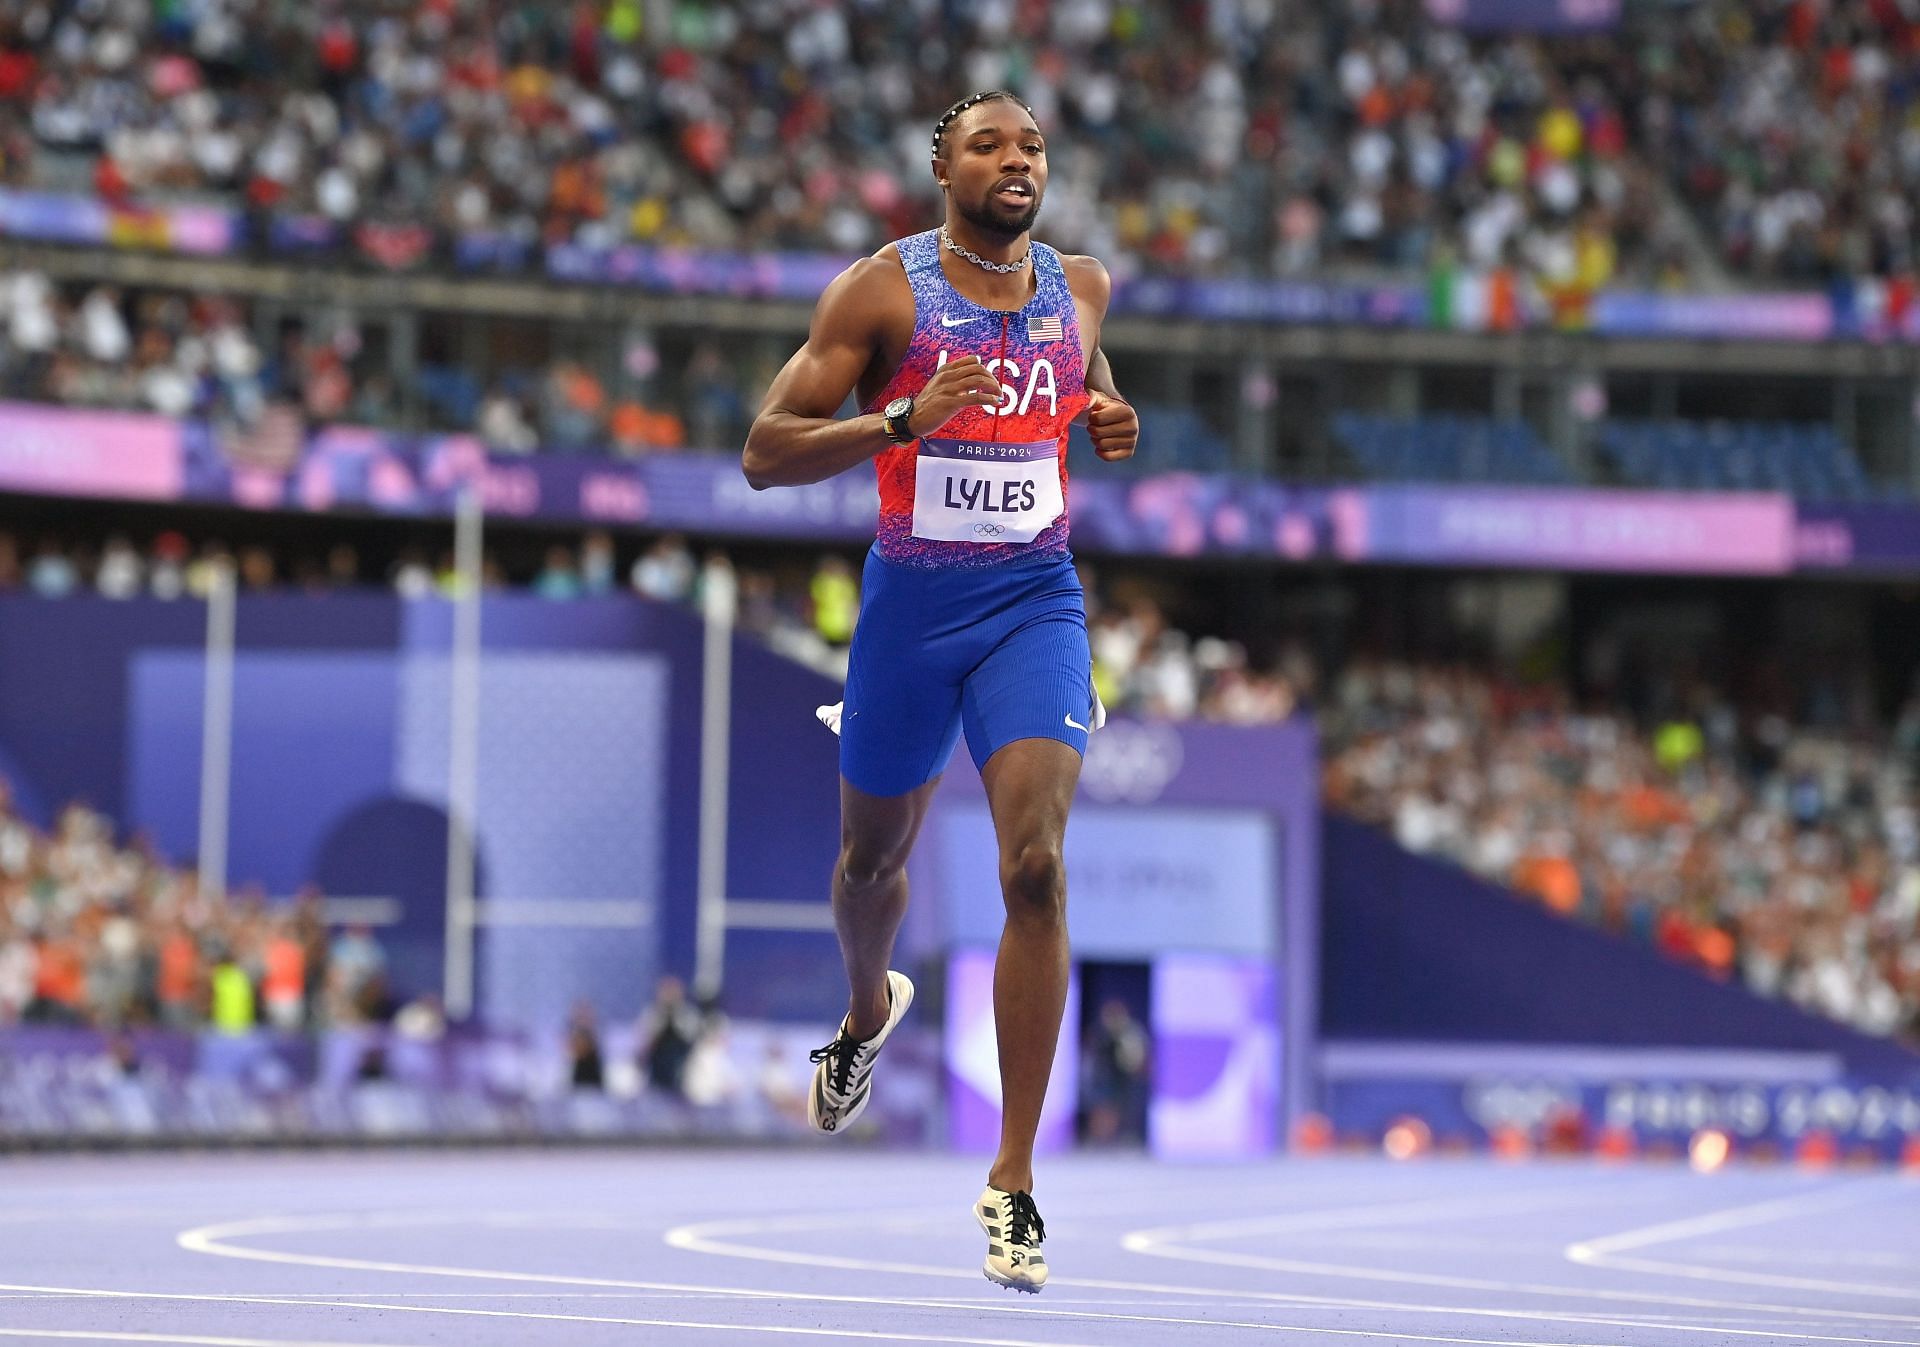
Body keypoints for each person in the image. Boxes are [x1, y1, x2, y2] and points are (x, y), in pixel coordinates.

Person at [741, 89, 1138, 1293]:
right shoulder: (884, 292)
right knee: (871, 867)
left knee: (1036, 867)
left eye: (1030, 146)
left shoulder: (1083, 285)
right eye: (989, 145)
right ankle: (867, 1015)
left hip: (1034, 600)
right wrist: (901, 417)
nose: (1016, 159)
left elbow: (1081, 374)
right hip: (912, 614)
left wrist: (1108, 413)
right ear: (943, 169)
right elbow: (764, 450)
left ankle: (1012, 1178)